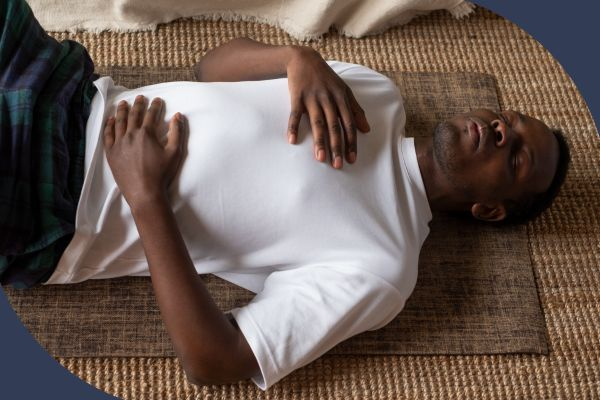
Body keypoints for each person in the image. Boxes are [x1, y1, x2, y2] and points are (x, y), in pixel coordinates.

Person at [0, 0, 570, 391]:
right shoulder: (379, 95)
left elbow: (215, 362)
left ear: (490, 209)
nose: (500, 129)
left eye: (515, 154)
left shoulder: (383, 267)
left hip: (64, 201)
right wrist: (298, 59)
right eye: (510, 119)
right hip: (69, 89)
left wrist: (145, 194)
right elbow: (209, 67)